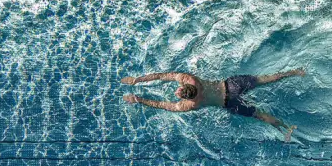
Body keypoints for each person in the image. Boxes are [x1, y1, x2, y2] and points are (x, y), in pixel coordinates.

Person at [121, 68, 306, 141]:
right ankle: (295, 73)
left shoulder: (189, 106)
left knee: (260, 116)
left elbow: (161, 104)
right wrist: (137, 80)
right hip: (232, 84)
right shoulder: (190, 79)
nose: (176, 93)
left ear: (186, 96)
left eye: (178, 93)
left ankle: (287, 128)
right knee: (264, 79)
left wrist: (139, 99)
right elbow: (162, 76)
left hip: (229, 102)